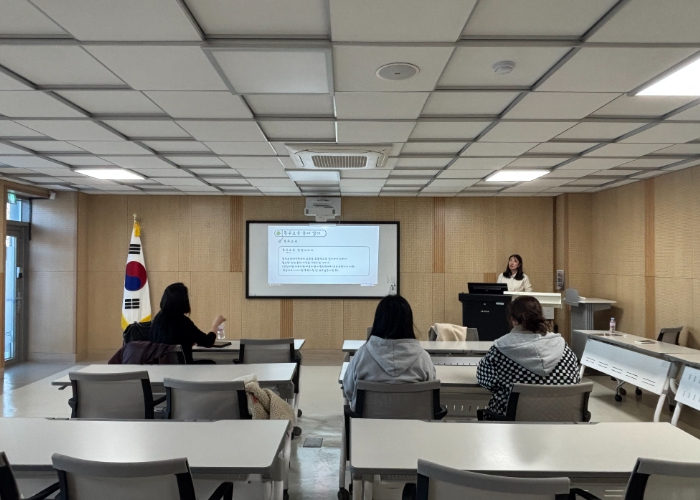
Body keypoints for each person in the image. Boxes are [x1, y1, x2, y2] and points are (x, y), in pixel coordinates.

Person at [476, 295, 580, 418]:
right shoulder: (563, 347)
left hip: (510, 422)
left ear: (513, 320)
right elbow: (575, 380)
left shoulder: (500, 349)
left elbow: (485, 381)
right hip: (560, 419)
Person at [342, 295, 436, 411]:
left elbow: (349, 391)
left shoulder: (362, 356)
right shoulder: (423, 358)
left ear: (378, 321)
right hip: (413, 421)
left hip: (368, 421)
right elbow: (430, 392)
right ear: (408, 322)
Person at [149, 283, 225, 364]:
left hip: (160, 368)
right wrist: (215, 324)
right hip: (184, 368)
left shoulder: (158, 318)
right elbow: (208, 342)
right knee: (211, 363)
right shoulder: (183, 322)